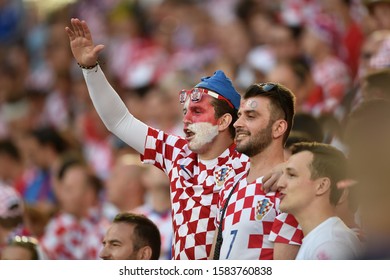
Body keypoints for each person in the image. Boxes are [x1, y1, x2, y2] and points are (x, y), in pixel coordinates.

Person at [65, 18, 247, 260]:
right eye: (185, 113)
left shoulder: (248, 165)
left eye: (197, 112)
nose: (187, 120)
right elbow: (118, 121)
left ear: (224, 122)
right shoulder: (177, 152)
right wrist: (90, 69)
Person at [212, 83, 302, 260]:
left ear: (278, 128)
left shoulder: (289, 188)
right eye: (239, 116)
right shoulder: (230, 185)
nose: (237, 124)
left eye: (250, 116)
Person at [276, 142, 362, 259]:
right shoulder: (325, 239)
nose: (279, 184)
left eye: (292, 175)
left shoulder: (330, 244)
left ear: (321, 186)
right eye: (282, 174)